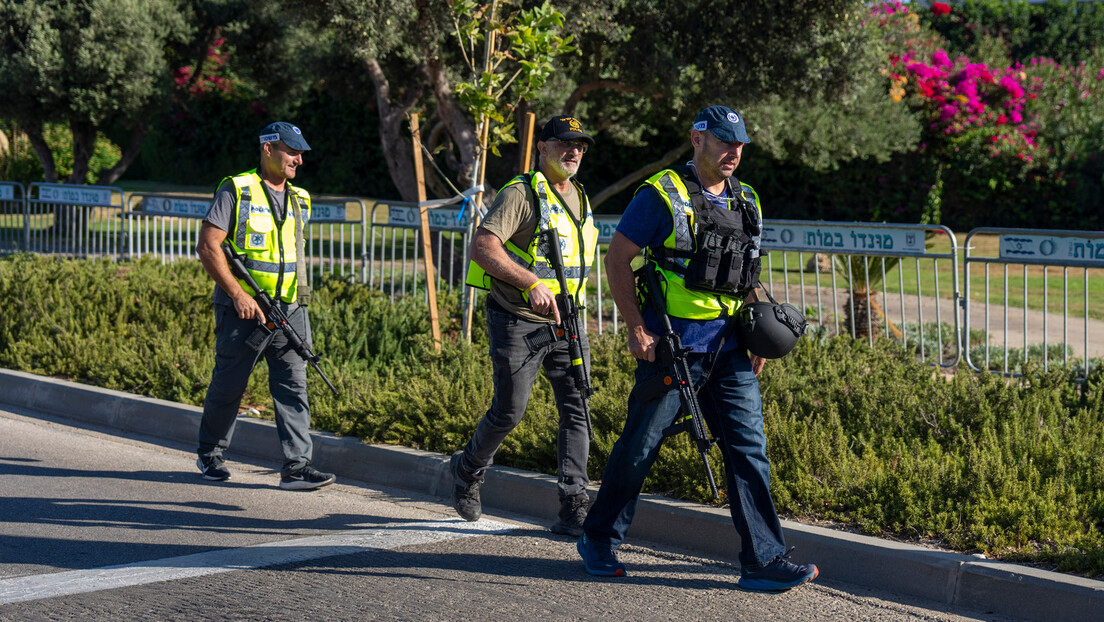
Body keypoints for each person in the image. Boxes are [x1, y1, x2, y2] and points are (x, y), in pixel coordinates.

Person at [576, 105, 818, 592]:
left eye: (740, 145)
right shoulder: (661, 194)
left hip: (730, 348)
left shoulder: (747, 199)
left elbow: (746, 272)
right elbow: (619, 257)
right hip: (673, 347)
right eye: (725, 143)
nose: (733, 152)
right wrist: (635, 326)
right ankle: (598, 537)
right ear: (697, 140)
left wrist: (759, 336)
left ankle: (763, 560)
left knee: (749, 449)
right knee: (640, 446)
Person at [453, 115, 599, 536]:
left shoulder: (581, 199)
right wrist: (530, 282)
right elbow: (483, 247)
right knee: (509, 411)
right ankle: (467, 470)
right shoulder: (521, 194)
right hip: (517, 320)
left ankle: (574, 503)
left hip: (566, 324)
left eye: (580, 146)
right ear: (543, 148)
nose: (573, 152)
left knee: (577, 409)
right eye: (564, 143)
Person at [194, 121, 336, 491]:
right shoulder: (237, 189)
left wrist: (301, 303)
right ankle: (211, 455)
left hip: (288, 310)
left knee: (293, 386)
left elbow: (297, 258)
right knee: (229, 386)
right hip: (244, 311)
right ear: (269, 149)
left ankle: (297, 467)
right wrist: (238, 295)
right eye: (292, 151)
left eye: (301, 152)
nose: (298, 159)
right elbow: (209, 247)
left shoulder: (300, 199)